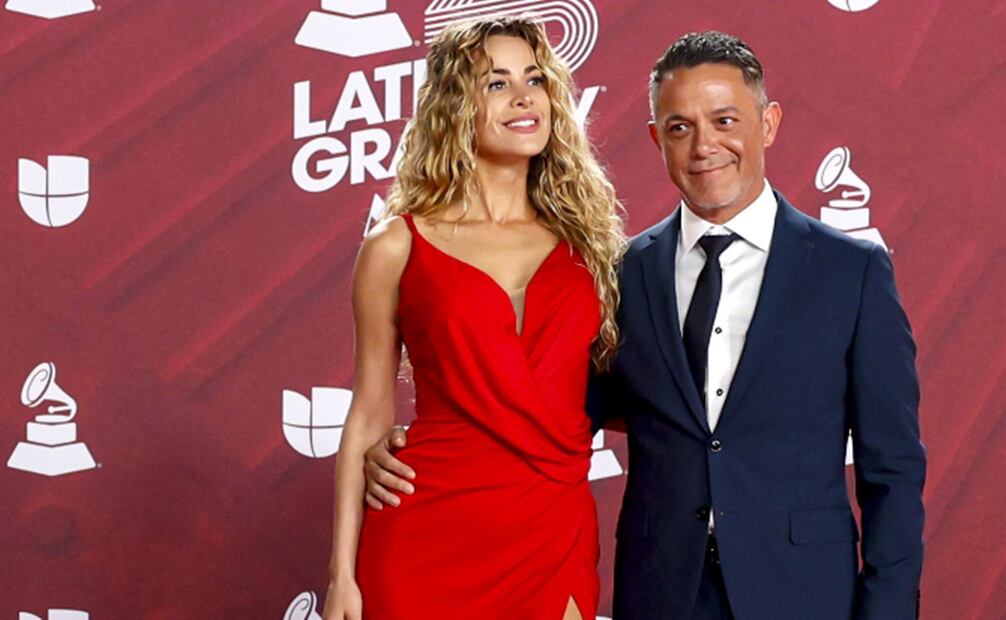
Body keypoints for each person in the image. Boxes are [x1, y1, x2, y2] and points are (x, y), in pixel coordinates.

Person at [361, 31, 926, 619]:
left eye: (725, 120)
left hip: (803, 594)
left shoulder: (850, 271)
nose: (705, 145)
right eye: (680, 127)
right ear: (657, 139)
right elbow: (551, 402)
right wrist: (414, 447)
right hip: (660, 593)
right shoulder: (617, 272)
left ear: (769, 123)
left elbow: (894, 467)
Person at [321, 15, 625, 620]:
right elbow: (369, 412)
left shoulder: (592, 249)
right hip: (427, 525)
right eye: (496, 83)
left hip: (551, 528)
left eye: (534, 80)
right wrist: (341, 577)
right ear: (455, 106)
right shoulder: (396, 246)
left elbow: (627, 389)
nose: (522, 97)